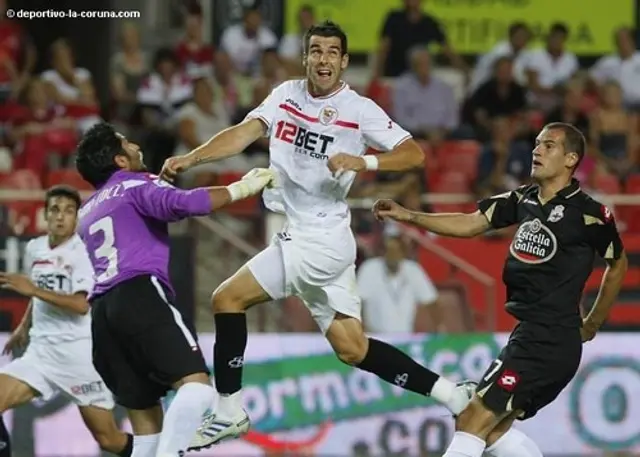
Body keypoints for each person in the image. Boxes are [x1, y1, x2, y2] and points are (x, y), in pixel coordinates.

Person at [161, 20, 474, 451]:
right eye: (316, 50)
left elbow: (413, 153)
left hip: (320, 238)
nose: (323, 59)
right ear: (306, 57)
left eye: (332, 52)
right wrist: (193, 157)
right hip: (313, 237)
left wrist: (364, 163)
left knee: (226, 299)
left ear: (344, 62)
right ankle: (454, 396)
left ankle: (229, 410)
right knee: (353, 349)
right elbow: (244, 133)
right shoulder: (285, 94)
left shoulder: (358, 108)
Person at [372, 122, 627, 457]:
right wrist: (409, 216)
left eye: (548, 145)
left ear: (570, 159)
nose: (536, 150)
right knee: (492, 432)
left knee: (473, 419)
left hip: (550, 340)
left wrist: (593, 323)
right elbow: (471, 221)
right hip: (529, 335)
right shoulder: (523, 199)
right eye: (536, 143)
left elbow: (618, 263)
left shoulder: (590, 214)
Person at [74, 122, 276, 457]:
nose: (136, 144)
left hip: (103, 316)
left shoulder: (88, 210)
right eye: (127, 142)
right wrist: (243, 187)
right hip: (139, 294)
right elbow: (184, 205)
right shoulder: (135, 184)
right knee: (197, 390)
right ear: (120, 161)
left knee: (145, 432)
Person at [0, 185, 133, 457]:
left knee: (109, 440)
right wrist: (24, 327)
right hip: (40, 353)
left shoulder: (83, 254)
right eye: (55, 210)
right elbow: (38, 293)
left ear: (77, 217)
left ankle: (160, 450)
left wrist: (33, 290)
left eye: (69, 211)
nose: (61, 216)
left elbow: (81, 305)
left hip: (78, 357)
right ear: (45, 214)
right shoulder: (36, 248)